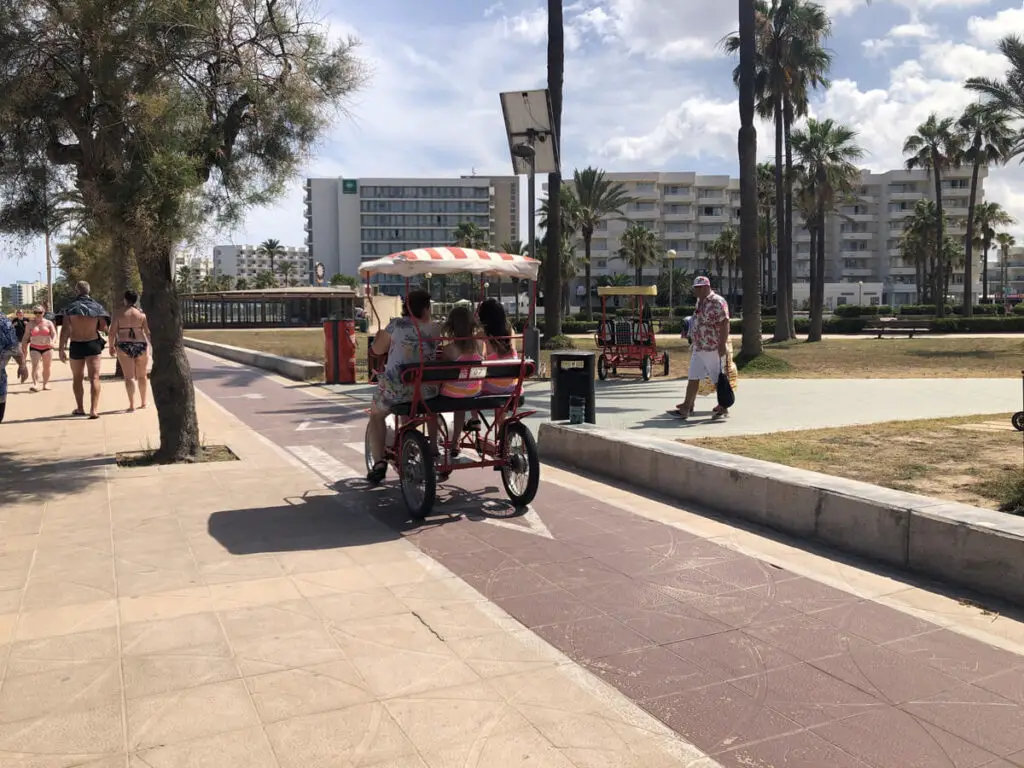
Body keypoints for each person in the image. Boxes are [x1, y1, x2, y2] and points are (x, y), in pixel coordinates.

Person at [365, 289, 438, 483]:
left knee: (376, 414)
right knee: (414, 402)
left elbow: (377, 349)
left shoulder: (396, 325)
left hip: (398, 389)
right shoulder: (434, 328)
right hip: (428, 390)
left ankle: (379, 463)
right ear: (427, 308)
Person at [675, 276, 731, 420]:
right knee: (693, 377)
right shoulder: (700, 301)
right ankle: (687, 406)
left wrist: (722, 344)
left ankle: (723, 406)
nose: (696, 290)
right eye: (695, 288)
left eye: (699, 288)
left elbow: (725, 323)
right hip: (699, 346)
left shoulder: (718, 302)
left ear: (707, 287)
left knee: (717, 378)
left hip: (712, 347)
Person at [58, 281, 109, 419]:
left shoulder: (70, 308)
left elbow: (65, 329)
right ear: (89, 291)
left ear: (76, 291)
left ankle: (80, 408)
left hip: (76, 344)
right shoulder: (97, 307)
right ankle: (94, 410)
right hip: (92, 343)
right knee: (94, 378)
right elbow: (103, 327)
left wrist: (61, 348)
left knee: (77, 378)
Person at [439, 304, 483, 457]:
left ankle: (455, 442)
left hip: (453, 393)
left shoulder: (449, 349)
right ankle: (474, 420)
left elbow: (442, 371)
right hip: (475, 390)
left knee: (459, 404)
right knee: (467, 393)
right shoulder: (479, 345)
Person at [108, 290, 151, 411]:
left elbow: (112, 333)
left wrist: (111, 346)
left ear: (125, 299)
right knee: (142, 376)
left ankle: (132, 405)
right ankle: (143, 402)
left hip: (124, 344)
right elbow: (147, 333)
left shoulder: (118, 314)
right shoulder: (141, 314)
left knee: (129, 377)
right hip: (141, 344)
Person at [0, 313, 28, 424]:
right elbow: (13, 346)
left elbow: (13, 346)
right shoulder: (3, 321)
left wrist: (22, 365)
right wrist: (22, 365)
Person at [23, 306, 56, 392]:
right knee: (35, 366)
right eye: (35, 312)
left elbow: (54, 334)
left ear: (43, 313)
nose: (37, 314)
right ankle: (35, 384)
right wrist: (23, 347)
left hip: (47, 348)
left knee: (47, 366)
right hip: (34, 347)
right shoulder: (30, 324)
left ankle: (46, 383)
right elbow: (26, 336)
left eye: (39, 312)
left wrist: (53, 341)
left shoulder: (49, 323)